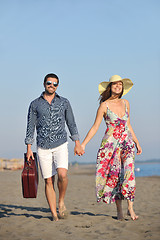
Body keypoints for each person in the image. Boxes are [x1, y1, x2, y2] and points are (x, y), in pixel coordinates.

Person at [80, 75, 142, 221]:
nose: (118, 86)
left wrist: (137, 142)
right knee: (115, 177)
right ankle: (119, 211)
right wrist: (83, 144)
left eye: (120, 84)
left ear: (122, 88)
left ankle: (130, 209)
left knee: (129, 175)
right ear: (110, 87)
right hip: (110, 146)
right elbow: (95, 127)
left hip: (126, 143)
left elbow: (128, 125)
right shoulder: (104, 105)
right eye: (115, 84)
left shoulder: (126, 103)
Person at [25, 73, 83, 221]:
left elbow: (71, 123)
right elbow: (30, 126)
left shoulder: (64, 102)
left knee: (62, 175)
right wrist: (29, 148)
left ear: (58, 85)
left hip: (61, 144)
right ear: (44, 84)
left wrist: (77, 142)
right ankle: (54, 215)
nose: (52, 86)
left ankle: (61, 201)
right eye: (49, 83)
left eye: (55, 84)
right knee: (48, 181)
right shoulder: (34, 104)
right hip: (43, 146)